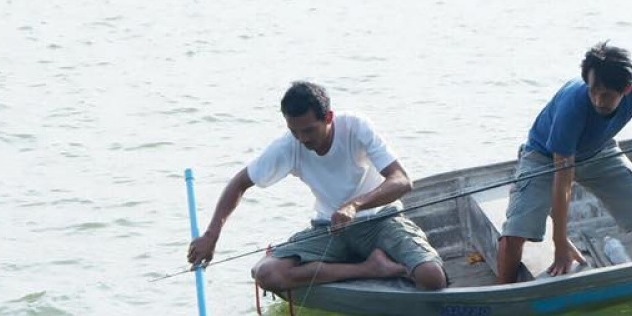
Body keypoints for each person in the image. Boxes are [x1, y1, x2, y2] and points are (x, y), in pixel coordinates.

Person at [187, 81, 448, 292]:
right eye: (295, 131)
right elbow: (239, 183)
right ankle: (371, 268)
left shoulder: (356, 127)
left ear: (329, 117)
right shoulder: (288, 146)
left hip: (380, 220)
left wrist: (354, 206)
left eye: (309, 130)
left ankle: (367, 264)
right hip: (329, 229)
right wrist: (211, 237)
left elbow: (401, 180)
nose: (302, 139)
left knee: (432, 277)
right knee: (265, 273)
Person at [496, 41, 632, 284]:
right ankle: (503, 290)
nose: (598, 100)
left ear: (627, 90)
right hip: (545, 157)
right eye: (593, 91)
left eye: (606, 94)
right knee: (517, 231)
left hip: (599, 151)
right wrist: (560, 246)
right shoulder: (573, 104)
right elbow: (563, 178)